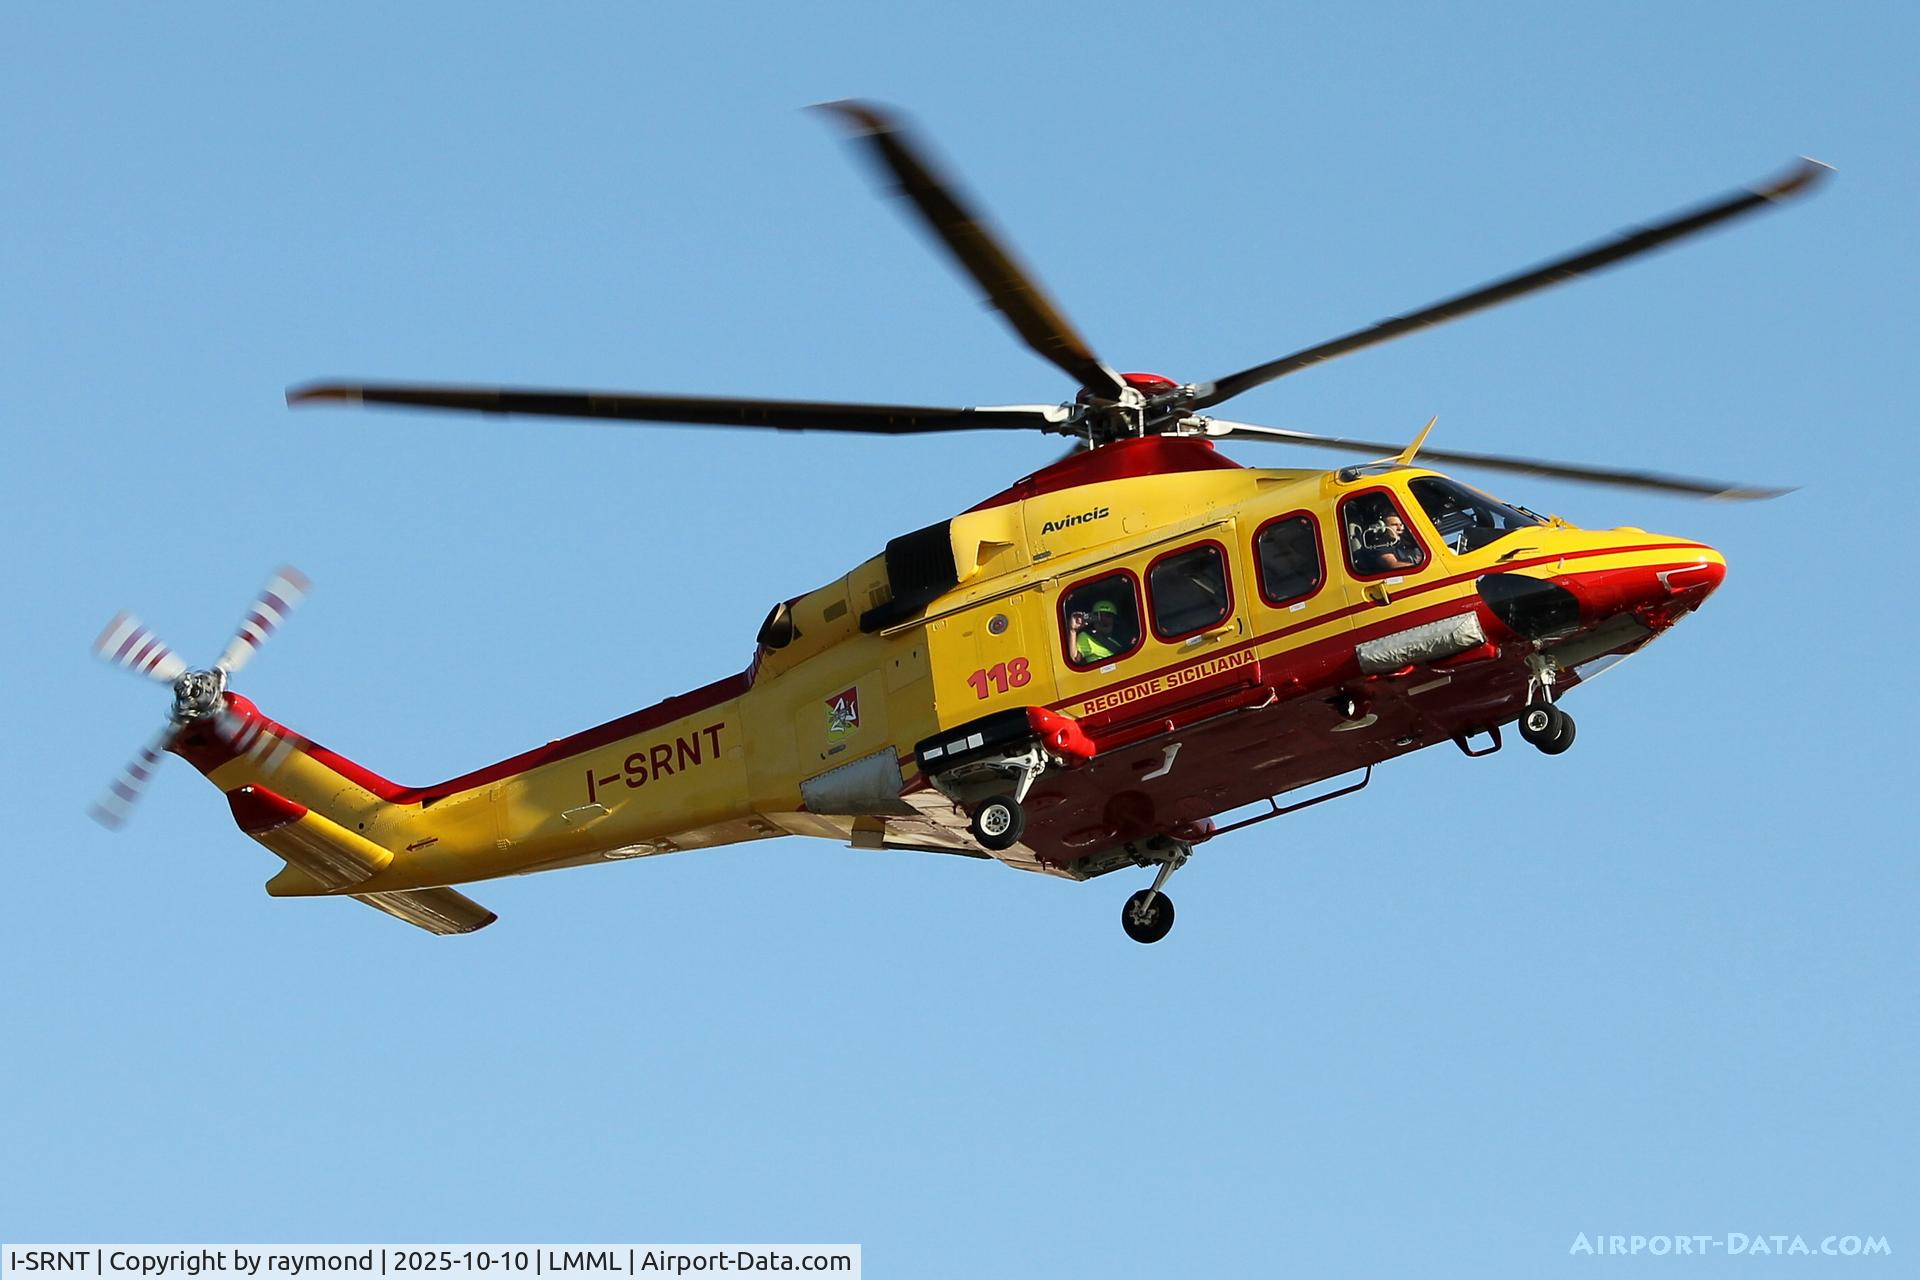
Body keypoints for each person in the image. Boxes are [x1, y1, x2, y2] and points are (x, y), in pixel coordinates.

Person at [1069, 598, 1126, 663]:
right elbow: (1074, 658)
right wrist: (1072, 630)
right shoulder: (1086, 636)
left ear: (1114, 619)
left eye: (1108, 616)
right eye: (1099, 616)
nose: (1104, 619)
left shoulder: (1122, 638)